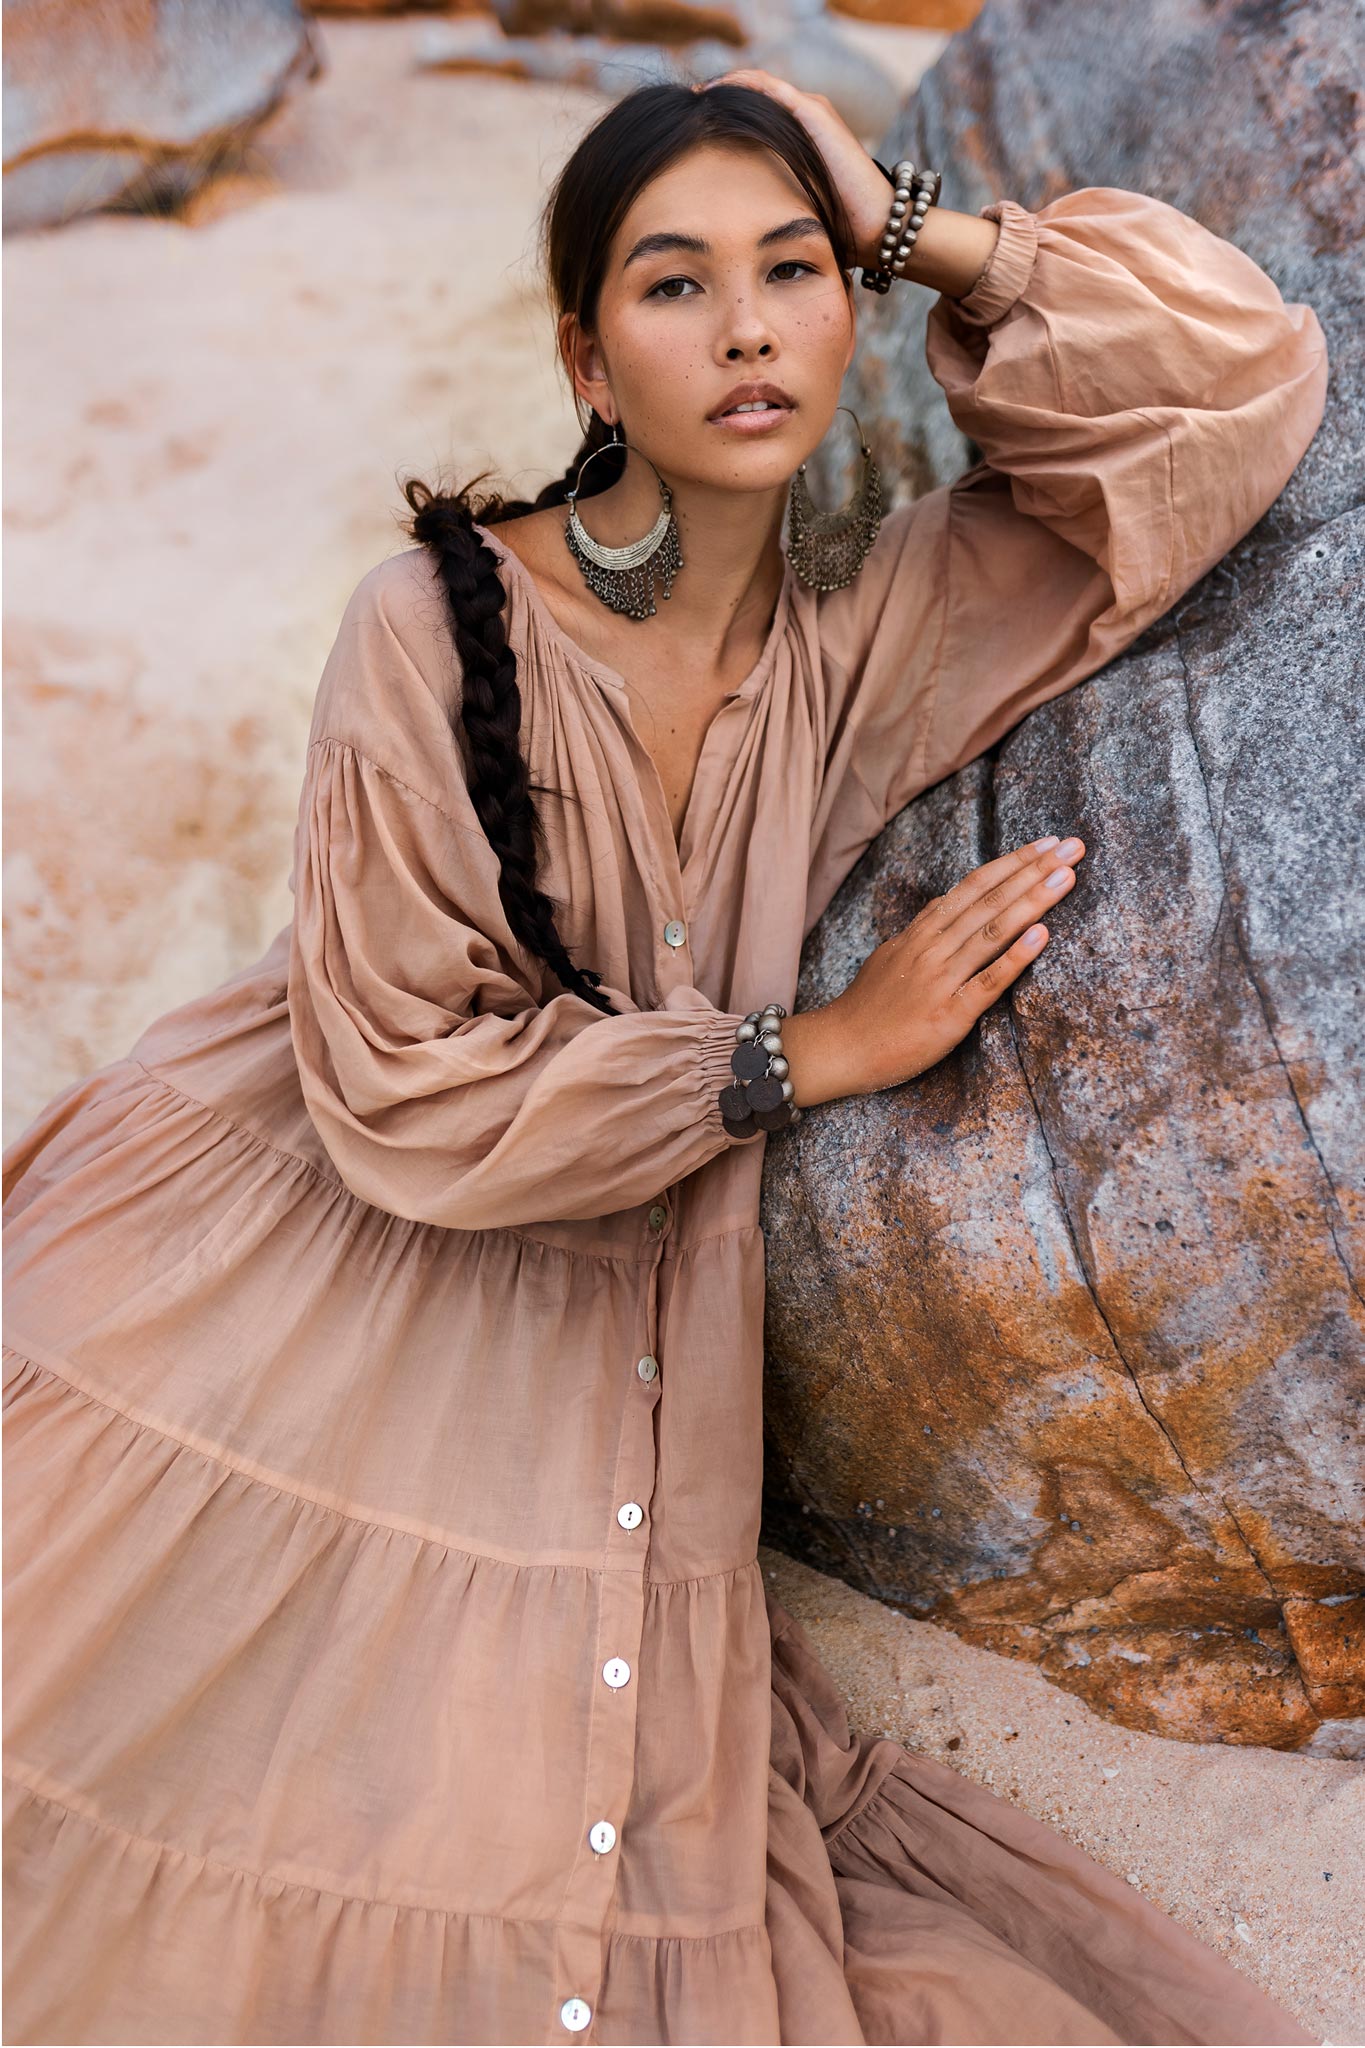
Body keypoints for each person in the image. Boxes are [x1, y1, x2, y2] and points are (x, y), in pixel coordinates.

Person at [2, 68, 1328, 2048]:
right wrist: (800, 1055)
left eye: (790, 274)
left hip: (608, 1279)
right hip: (279, 1231)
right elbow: (394, 1081)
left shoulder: (869, 628)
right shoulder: (425, 626)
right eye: (674, 284)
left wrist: (909, 223)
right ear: (584, 360)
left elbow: (1229, 386)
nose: (744, 332)